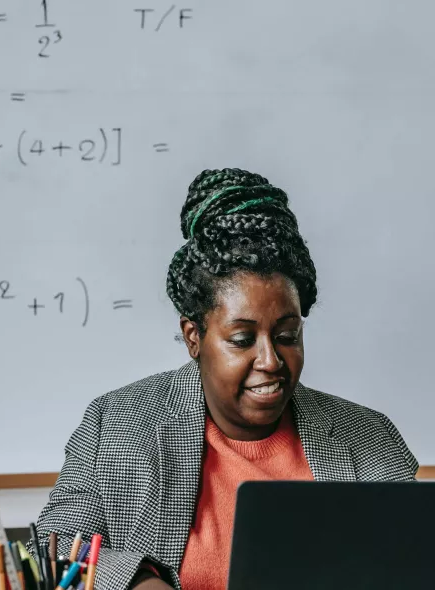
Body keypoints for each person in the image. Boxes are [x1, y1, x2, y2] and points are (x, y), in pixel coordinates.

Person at [29, 168, 418, 590]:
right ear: (194, 337)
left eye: (288, 335)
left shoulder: (367, 437)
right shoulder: (118, 423)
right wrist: (137, 580)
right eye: (242, 339)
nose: (271, 360)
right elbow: (51, 549)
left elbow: (413, 560)